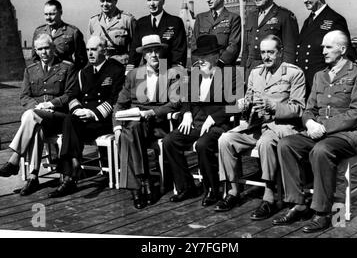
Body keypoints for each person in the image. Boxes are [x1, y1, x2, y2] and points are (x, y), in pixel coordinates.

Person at [273, 30, 357, 233]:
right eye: (323, 47)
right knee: (286, 144)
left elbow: (356, 114)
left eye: (328, 47)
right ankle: (297, 203)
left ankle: (323, 212)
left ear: (342, 50)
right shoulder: (320, 75)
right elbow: (308, 109)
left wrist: (323, 127)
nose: (323, 51)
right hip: (319, 131)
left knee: (321, 150)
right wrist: (309, 124)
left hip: (349, 135)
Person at [216, 35, 306, 215]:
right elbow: (249, 100)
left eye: (271, 52)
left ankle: (269, 197)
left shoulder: (294, 73)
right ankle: (233, 191)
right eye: (263, 52)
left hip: (279, 126)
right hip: (255, 125)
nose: (266, 56)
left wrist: (274, 106)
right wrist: (243, 106)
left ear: (280, 52)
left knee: (265, 143)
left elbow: (299, 109)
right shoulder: (255, 73)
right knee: (225, 139)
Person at [162, 34, 243, 205]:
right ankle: (186, 186)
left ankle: (212, 189)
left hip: (220, 125)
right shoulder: (194, 74)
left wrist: (214, 118)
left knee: (203, 145)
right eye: (200, 56)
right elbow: (185, 98)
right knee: (169, 141)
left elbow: (237, 105)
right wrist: (186, 113)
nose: (201, 60)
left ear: (216, 55)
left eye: (206, 56)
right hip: (197, 122)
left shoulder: (230, 73)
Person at [47, 35, 125, 198]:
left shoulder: (116, 69)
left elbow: (115, 99)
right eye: (88, 49)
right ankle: (74, 164)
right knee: (70, 119)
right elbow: (73, 96)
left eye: (94, 49)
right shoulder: (84, 72)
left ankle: (69, 177)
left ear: (104, 50)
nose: (90, 53)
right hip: (84, 120)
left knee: (70, 126)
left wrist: (92, 113)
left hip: (103, 121)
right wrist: (78, 111)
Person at [113, 35, 183, 209]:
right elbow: (119, 104)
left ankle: (138, 186)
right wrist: (115, 128)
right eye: (149, 51)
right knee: (128, 132)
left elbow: (175, 103)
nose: (153, 55)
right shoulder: (134, 74)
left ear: (162, 52)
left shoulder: (172, 73)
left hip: (158, 124)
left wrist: (153, 112)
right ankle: (144, 183)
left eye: (156, 50)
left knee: (128, 134)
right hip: (136, 124)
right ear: (144, 55)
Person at [0, 34, 76, 195]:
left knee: (30, 116)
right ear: (35, 50)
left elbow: (70, 94)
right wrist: (38, 108)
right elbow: (24, 96)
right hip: (38, 118)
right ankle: (33, 177)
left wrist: (51, 104)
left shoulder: (66, 67)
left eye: (47, 48)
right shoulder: (30, 70)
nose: (44, 52)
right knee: (35, 128)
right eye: (40, 49)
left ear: (54, 48)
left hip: (59, 117)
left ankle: (14, 159)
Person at [297, 0, 356, 94]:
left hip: (324, 85)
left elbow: (346, 54)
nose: (304, 0)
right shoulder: (307, 22)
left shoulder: (335, 19)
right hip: (305, 85)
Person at [241, 0, 299, 75]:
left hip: (274, 70)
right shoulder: (250, 16)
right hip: (251, 71)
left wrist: (286, 75)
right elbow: (245, 51)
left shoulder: (284, 16)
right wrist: (241, 75)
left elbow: (290, 50)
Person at [127, 0, 187, 70]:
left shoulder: (175, 22)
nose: (151, 3)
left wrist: (175, 71)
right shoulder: (141, 23)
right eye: (149, 0)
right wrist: (130, 71)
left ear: (163, 1)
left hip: (168, 70)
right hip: (148, 70)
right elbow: (134, 50)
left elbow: (179, 51)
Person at [191, 0, 241, 67]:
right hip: (201, 68)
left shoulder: (233, 18)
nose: (207, 0)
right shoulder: (200, 18)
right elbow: (194, 44)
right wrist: (197, 63)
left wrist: (219, 62)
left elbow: (234, 45)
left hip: (224, 68)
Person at [88, 0, 137, 66]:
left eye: (109, 1)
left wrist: (129, 69)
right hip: (100, 67)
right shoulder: (93, 22)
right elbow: (90, 48)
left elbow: (135, 48)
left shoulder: (127, 20)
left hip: (121, 66)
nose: (105, 4)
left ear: (116, 0)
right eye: (102, 1)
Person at [32, 0, 87, 70]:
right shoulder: (39, 31)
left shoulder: (72, 32)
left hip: (65, 74)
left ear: (60, 13)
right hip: (46, 75)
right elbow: (35, 58)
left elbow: (81, 58)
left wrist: (73, 73)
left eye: (52, 14)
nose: (48, 18)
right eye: (46, 14)